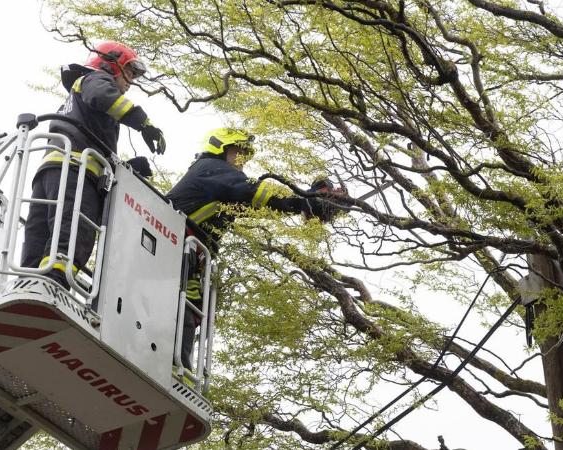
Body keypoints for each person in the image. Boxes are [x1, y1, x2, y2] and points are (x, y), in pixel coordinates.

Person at [167, 128, 340, 374]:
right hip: (172, 242)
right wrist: (304, 201)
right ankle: (173, 365)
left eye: (246, 155)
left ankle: (176, 365)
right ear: (220, 147)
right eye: (239, 152)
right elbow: (254, 192)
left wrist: (304, 204)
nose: (242, 160)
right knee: (180, 303)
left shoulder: (222, 184)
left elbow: (260, 205)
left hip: (188, 254)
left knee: (191, 307)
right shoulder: (210, 169)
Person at [21, 41, 165, 288]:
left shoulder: (76, 98)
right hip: (76, 173)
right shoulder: (95, 80)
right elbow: (103, 96)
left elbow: (89, 137)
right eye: (129, 72)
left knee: (40, 235)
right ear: (110, 64)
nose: (131, 82)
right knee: (75, 232)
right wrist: (144, 123)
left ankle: (28, 284)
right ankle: (53, 283)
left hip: (52, 172)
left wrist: (127, 168)